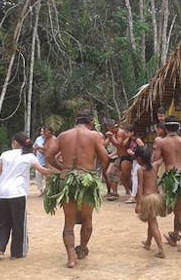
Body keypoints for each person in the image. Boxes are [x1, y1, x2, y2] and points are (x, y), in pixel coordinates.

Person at [44, 109, 109, 268]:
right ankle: (83, 247)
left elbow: (49, 156)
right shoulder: (94, 135)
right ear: (91, 123)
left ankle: (71, 257)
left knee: (69, 222)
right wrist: (97, 172)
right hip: (86, 178)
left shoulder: (63, 135)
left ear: (76, 121)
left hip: (66, 180)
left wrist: (62, 169)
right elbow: (105, 158)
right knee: (87, 219)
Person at [0, 132, 54, 259]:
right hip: (17, 193)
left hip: (1, 193)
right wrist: (58, 172)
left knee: (2, 221)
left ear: (15, 142)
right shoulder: (30, 157)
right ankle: (16, 252)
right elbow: (42, 171)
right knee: (18, 223)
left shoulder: (4, 155)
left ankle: (0, 247)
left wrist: (0, 184)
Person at [152, 116, 181, 253]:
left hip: (171, 177)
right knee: (178, 209)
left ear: (165, 128)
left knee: (179, 212)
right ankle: (175, 237)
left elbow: (155, 161)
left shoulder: (161, 142)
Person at [135, 146, 165, 259]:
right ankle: (148, 242)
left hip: (148, 198)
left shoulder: (140, 170)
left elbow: (140, 187)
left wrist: (138, 203)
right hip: (156, 197)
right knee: (151, 220)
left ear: (139, 158)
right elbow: (162, 158)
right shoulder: (155, 165)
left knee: (153, 223)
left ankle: (161, 250)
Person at [105, 122, 130, 200]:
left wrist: (111, 137)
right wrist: (109, 137)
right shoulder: (113, 134)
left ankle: (133, 193)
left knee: (125, 177)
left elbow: (118, 144)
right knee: (109, 173)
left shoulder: (120, 132)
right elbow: (104, 144)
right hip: (119, 157)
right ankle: (115, 193)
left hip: (127, 157)